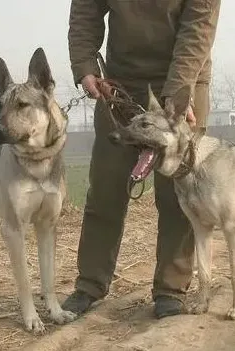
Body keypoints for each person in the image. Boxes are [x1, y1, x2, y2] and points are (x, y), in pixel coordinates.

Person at [62, 0, 222, 319]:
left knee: (179, 195)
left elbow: (198, 27)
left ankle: (171, 290)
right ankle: (90, 283)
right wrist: (85, 66)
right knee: (106, 187)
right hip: (121, 83)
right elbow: (85, 11)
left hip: (182, 81)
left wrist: (178, 93)